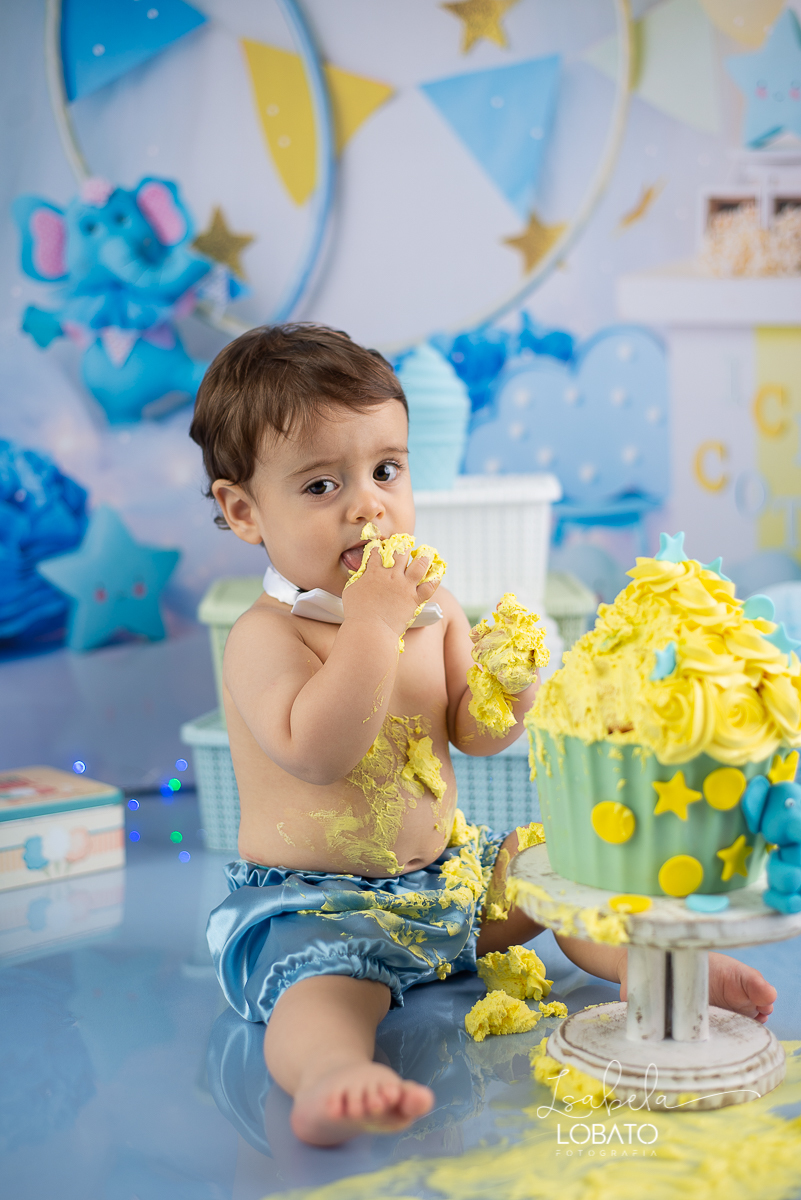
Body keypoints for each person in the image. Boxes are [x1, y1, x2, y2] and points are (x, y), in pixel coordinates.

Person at [190, 323, 777, 1147]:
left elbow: (473, 732)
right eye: (322, 486)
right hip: (320, 908)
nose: (369, 504)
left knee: (551, 870)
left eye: (386, 470)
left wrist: (508, 683)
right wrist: (370, 626)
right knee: (320, 994)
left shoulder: (432, 607)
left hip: (447, 886)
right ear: (244, 510)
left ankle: (656, 974)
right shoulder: (267, 636)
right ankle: (330, 1074)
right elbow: (319, 752)